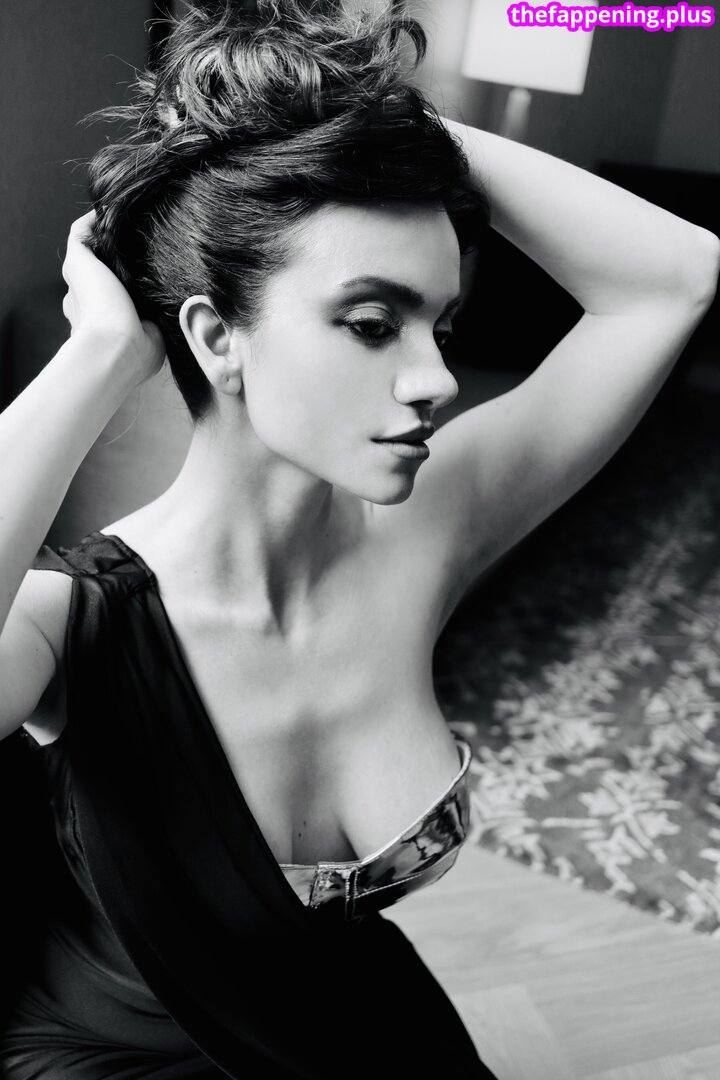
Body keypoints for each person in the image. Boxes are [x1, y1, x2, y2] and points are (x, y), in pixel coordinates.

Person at [0, 0, 717, 1077]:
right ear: (215, 336)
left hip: (356, 1021)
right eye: (375, 325)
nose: (436, 378)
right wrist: (96, 358)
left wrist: (373, 121)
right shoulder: (71, 623)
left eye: (442, 324)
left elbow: (675, 276)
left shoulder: (432, 524)